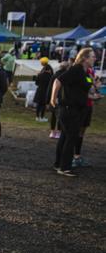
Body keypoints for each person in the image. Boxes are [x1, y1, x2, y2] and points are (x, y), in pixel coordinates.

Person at [50, 48, 96, 176]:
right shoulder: (76, 69)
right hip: (70, 110)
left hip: (75, 109)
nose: (95, 58)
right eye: (92, 56)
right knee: (71, 138)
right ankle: (65, 168)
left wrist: (93, 96)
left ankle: (59, 164)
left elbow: (81, 91)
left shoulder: (84, 72)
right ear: (85, 58)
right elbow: (58, 81)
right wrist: (53, 98)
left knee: (65, 137)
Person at [72, 64, 102, 168]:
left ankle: (77, 156)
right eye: (92, 56)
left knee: (81, 132)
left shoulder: (90, 71)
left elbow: (91, 87)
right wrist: (93, 92)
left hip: (88, 106)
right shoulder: (80, 71)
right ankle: (71, 157)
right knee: (76, 131)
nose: (94, 59)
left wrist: (96, 87)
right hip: (80, 106)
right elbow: (79, 90)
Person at [47, 62, 69, 139]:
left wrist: (48, 99)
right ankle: (59, 132)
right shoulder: (66, 76)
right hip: (62, 99)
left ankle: (52, 132)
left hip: (54, 98)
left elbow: (49, 88)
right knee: (60, 116)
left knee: (53, 115)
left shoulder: (54, 75)